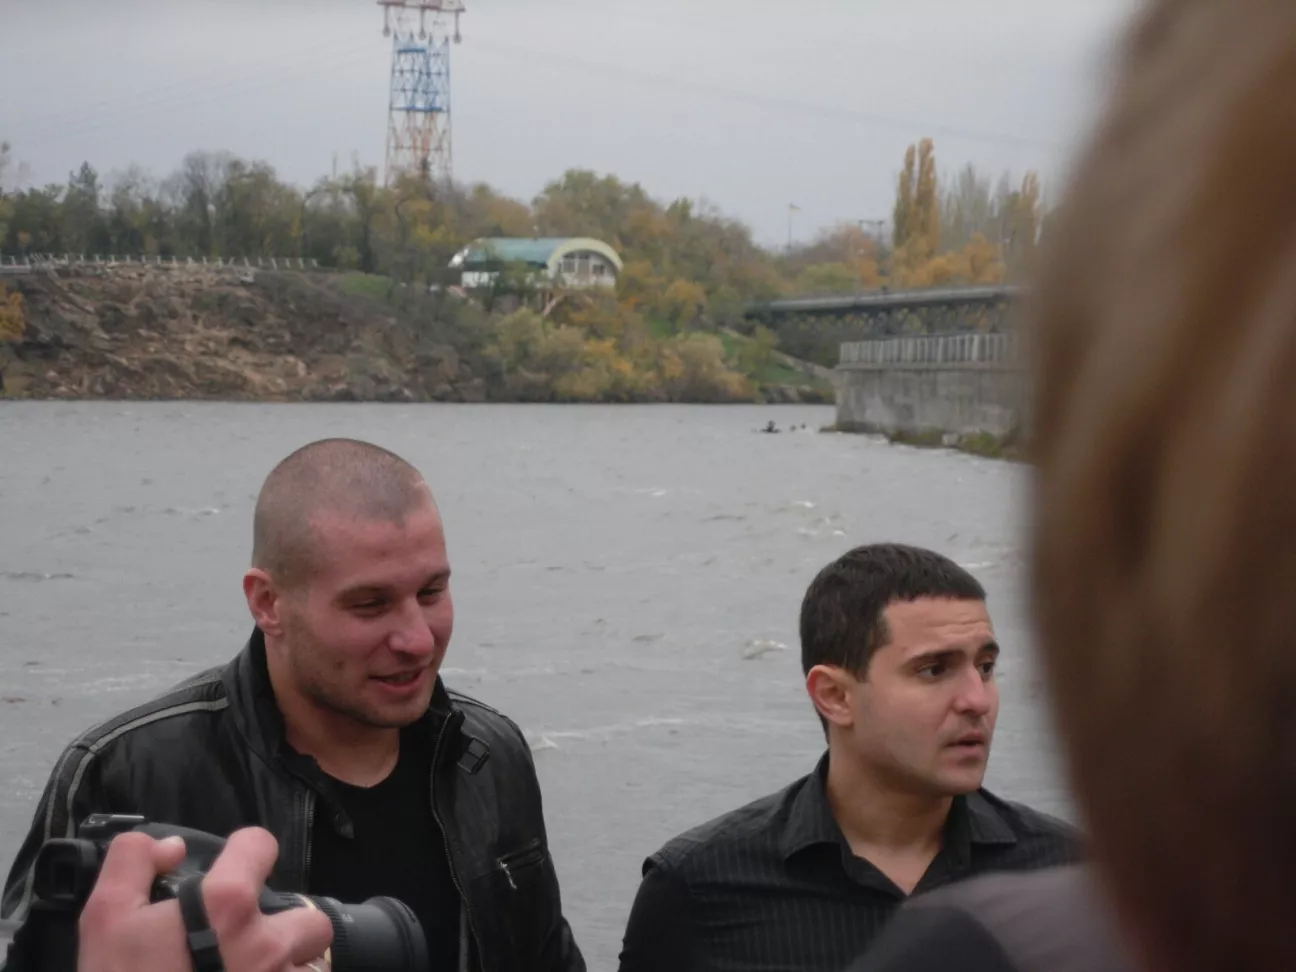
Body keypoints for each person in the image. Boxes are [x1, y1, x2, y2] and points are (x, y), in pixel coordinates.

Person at [0, 438, 585, 972]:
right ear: (268, 603)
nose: (417, 639)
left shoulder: (489, 753)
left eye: (431, 592)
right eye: (370, 605)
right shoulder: (125, 770)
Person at [617, 543, 1082, 972]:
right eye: (934, 670)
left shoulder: (1072, 875)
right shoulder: (697, 887)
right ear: (835, 696)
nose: (977, 700)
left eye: (985, 667)